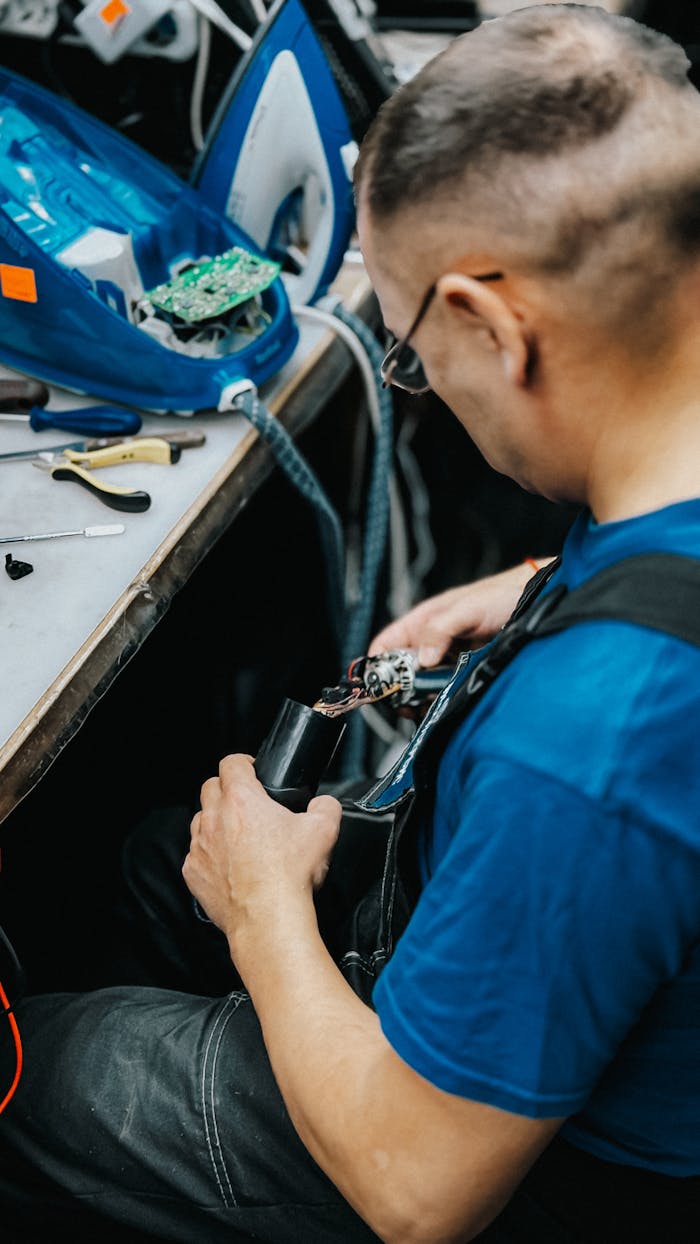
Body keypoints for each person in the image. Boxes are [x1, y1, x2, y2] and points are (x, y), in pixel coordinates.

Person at [2, 5, 700, 1241]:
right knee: (147, 860)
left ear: (493, 326)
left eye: (411, 352)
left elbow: (419, 1187)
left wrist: (264, 912)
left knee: (45, 1070)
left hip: (532, 1166)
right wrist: (554, 579)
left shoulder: (585, 740)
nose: (412, 380)